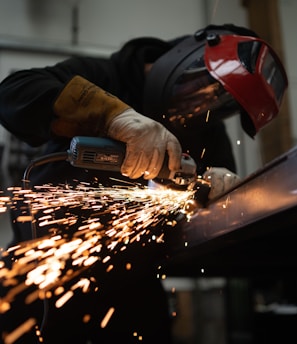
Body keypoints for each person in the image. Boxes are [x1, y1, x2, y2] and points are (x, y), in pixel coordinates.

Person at [0, 23, 288, 343]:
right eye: (206, 87)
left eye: (222, 103)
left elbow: (205, 230)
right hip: (37, 278)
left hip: (132, 291)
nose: (205, 104)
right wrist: (113, 116)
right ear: (186, 56)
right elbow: (14, 92)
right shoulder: (106, 75)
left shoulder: (208, 134)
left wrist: (215, 199)